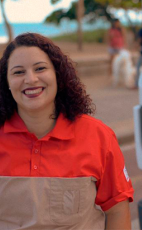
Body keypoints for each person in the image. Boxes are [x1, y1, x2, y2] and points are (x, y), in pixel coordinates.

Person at [0, 33, 134, 230]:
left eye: (40, 68)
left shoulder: (98, 136)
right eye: (18, 72)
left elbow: (117, 210)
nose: (31, 79)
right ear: (7, 83)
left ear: (57, 74)